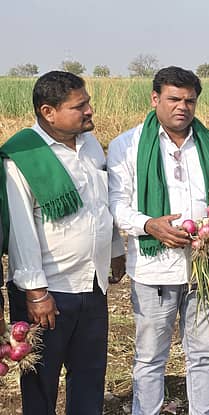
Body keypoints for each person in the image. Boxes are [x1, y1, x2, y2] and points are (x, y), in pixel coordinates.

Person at [107, 66, 209, 415]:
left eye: (190, 100)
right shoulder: (128, 146)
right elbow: (117, 205)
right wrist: (150, 225)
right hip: (154, 270)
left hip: (205, 269)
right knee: (150, 356)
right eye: (174, 99)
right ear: (155, 99)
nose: (182, 106)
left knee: (202, 353)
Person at [1, 71, 126, 414]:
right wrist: (36, 292)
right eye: (79, 106)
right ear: (48, 112)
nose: (89, 110)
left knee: (89, 377)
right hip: (49, 292)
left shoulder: (89, 146)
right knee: (41, 383)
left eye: (87, 102)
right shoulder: (22, 157)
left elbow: (102, 204)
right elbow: (22, 231)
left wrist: (116, 250)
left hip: (92, 283)